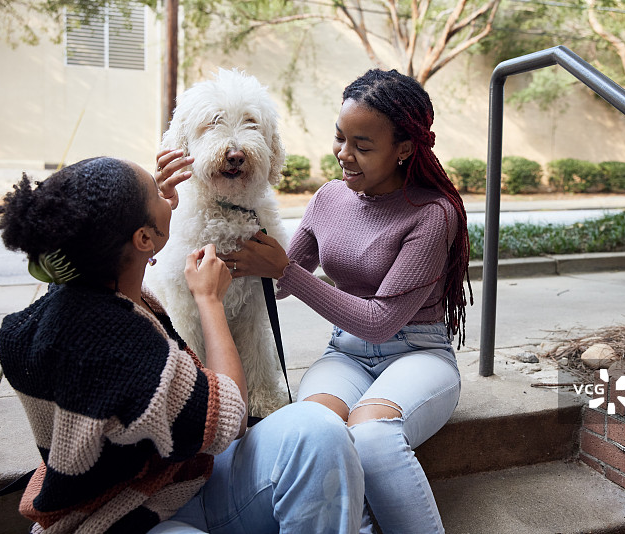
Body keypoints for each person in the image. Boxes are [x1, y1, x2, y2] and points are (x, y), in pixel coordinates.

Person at [159, 69, 472, 533]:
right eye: (340, 138)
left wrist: (283, 270)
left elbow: (378, 320)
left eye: (362, 146)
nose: (344, 154)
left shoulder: (433, 214)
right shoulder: (329, 198)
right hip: (345, 354)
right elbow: (274, 283)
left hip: (416, 352)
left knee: (372, 435)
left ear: (404, 149)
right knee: (314, 435)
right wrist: (171, 213)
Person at [0, 157, 364, 534]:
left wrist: (146, 213)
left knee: (319, 429)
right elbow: (230, 416)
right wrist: (209, 299)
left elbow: (114, 256)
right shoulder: (118, 346)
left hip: (185, 481)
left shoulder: (64, 303)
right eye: (157, 194)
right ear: (142, 239)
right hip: (127, 517)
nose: (169, 195)